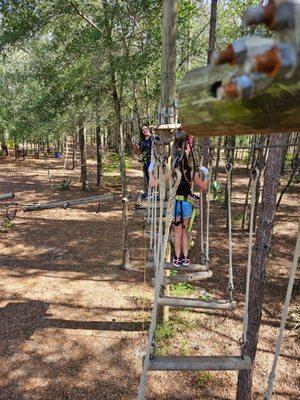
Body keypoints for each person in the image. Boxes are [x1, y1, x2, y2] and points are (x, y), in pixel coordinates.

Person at [149, 132, 209, 267]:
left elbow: (155, 184)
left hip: (175, 204)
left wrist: (151, 173)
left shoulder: (172, 172)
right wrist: (206, 174)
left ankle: (177, 258)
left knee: (177, 232)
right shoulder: (192, 172)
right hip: (186, 204)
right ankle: (185, 258)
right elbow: (204, 186)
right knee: (184, 233)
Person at [132, 124, 153, 198]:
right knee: (147, 176)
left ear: (149, 129)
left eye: (146, 129)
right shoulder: (143, 141)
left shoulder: (153, 138)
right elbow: (137, 151)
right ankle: (149, 192)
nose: (144, 131)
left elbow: (160, 144)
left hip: (153, 160)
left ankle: (154, 193)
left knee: (152, 176)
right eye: (143, 130)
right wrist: (134, 143)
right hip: (145, 161)